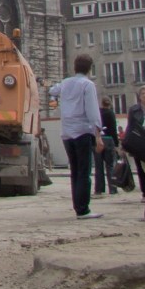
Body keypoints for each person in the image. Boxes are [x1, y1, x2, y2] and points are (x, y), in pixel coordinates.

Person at [48, 55, 104, 220]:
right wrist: (98, 134)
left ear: (75, 67)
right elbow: (92, 111)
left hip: (67, 132)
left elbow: (52, 91)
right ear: (89, 68)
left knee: (75, 171)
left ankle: (77, 206)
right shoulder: (87, 84)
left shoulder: (66, 83)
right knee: (84, 171)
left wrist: (55, 101)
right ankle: (83, 209)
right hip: (82, 131)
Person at [127, 85, 145, 199]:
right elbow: (130, 126)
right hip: (139, 142)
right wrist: (126, 144)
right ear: (139, 96)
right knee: (141, 169)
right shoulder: (134, 110)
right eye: (143, 94)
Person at [93, 96, 118, 197]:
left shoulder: (97, 113)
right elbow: (113, 130)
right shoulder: (111, 113)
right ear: (110, 104)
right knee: (110, 165)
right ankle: (113, 188)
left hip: (98, 139)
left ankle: (99, 189)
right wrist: (116, 144)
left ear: (101, 103)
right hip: (109, 139)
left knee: (98, 166)